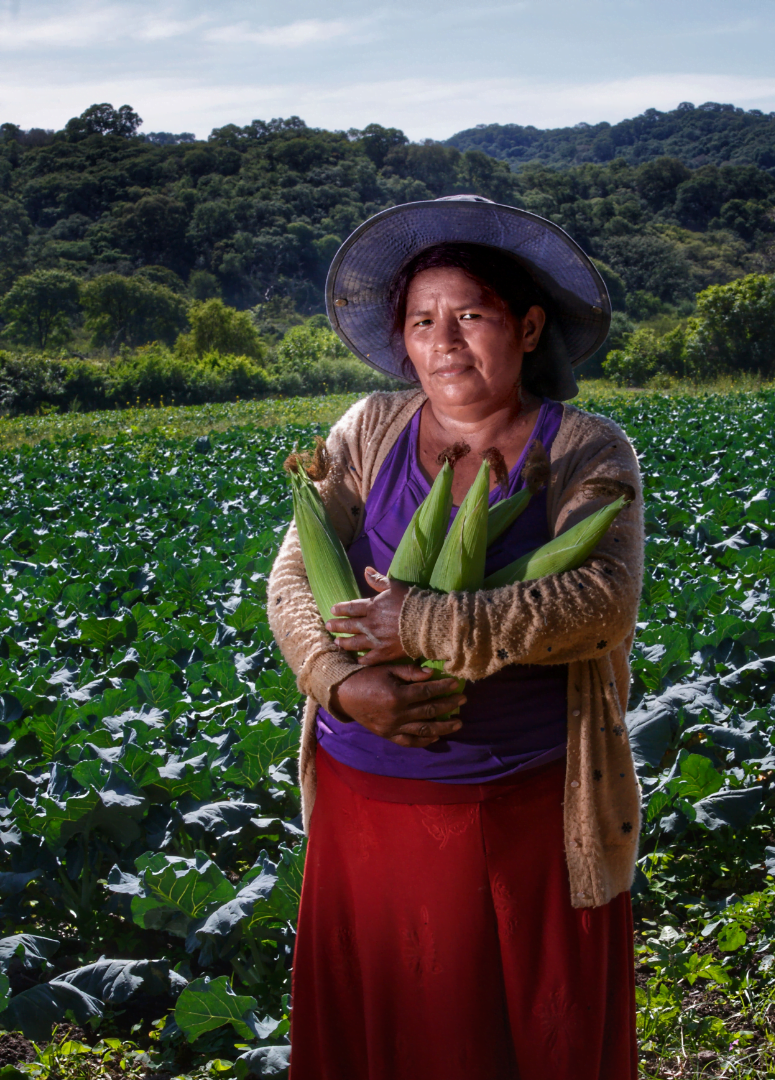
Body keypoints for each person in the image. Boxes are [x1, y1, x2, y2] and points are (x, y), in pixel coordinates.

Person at [265, 195, 644, 1078]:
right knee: (386, 1030)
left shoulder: (586, 451)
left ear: (526, 325)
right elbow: (293, 579)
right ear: (402, 340)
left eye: (471, 315)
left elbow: (599, 602)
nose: (445, 341)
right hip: (367, 801)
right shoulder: (367, 430)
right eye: (423, 321)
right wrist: (342, 685)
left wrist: (420, 621)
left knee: (499, 1039)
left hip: (521, 810)